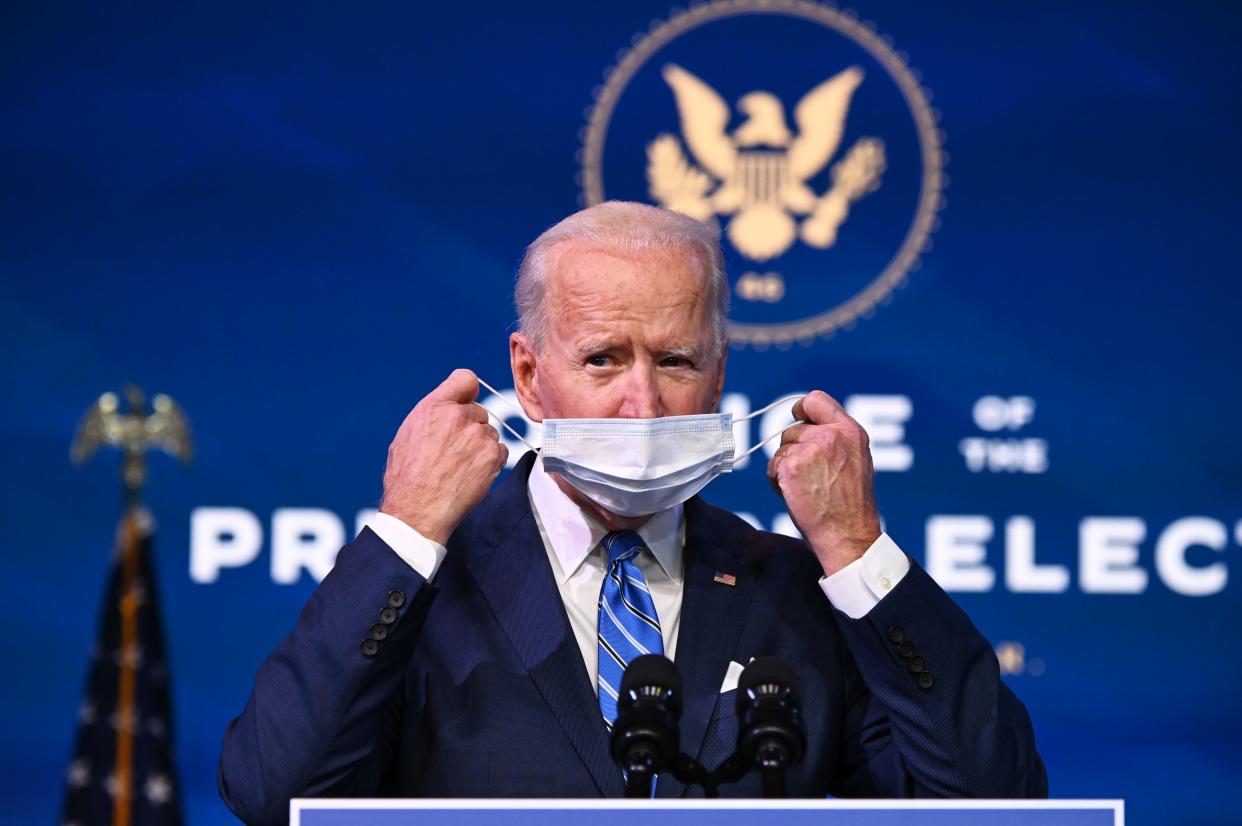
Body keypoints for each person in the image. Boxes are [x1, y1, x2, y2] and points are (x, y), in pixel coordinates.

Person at [219, 202, 1046, 824]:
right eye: (604, 359)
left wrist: (858, 549)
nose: (642, 405)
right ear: (531, 373)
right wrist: (406, 529)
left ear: (718, 377)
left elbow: (992, 803)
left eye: (676, 361)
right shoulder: (426, 585)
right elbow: (275, 793)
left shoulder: (791, 588)